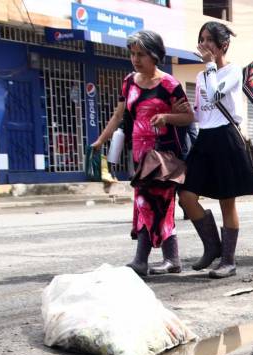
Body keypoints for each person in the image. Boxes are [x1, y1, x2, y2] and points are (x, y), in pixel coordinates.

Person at [93, 30, 194, 276]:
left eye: (141, 54)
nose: (135, 59)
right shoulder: (129, 82)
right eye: (133, 54)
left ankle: (142, 260)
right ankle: (172, 259)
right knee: (146, 203)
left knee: (153, 203)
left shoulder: (170, 84)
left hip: (163, 155)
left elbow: (189, 117)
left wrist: (167, 117)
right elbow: (119, 115)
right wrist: (100, 141)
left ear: (155, 55)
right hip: (139, 154)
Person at [175, 22, 253, 279]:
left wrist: (211, 65)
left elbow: (215, 96)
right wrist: (184, 111)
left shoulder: (234, 71)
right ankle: (212, 246)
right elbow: (203, 110)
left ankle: (228, 260)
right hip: (206, 137)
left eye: (209, 40)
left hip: (226, 136)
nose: (204, 45)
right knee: (186, 195)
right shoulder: (202, 76)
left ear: (223, 45)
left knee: (227, 202)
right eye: (201, 39)